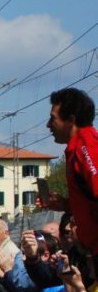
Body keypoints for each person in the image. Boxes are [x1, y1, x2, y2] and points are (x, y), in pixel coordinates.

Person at [40, 88, 98, 251]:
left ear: (71, 120)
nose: (48, 125)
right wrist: (66, 204)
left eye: (53, 119)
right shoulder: (77, 148)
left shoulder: (87, 147)